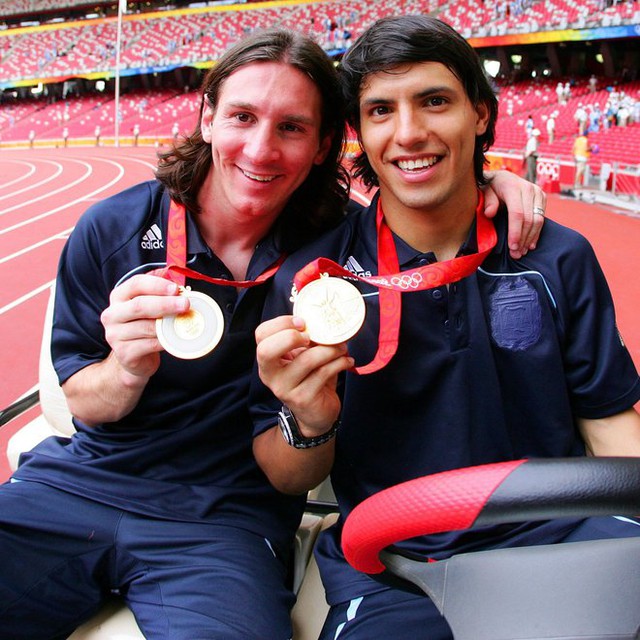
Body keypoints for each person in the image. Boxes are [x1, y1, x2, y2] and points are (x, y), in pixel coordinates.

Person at [0, 27, 540, 640]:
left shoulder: (342, 254)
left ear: (322, 146)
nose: (260, 150)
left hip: (226, 522)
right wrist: (124, 369)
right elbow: (80, 399)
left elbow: (427, 212)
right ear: (207, 118)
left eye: (291, 127)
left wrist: (494, 184)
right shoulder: (112, 228)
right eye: (242, 116)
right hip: (76, 488)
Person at [252, 15, 640, 640]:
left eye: (434, 101)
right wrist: (308, 418)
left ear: (481, 113)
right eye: (381, 110)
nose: (408, 134)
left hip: (564, 533)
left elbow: (614, 427)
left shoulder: (559, 257)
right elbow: (288, 477)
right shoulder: (312, 282)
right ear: (359, 133)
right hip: (395, 565)